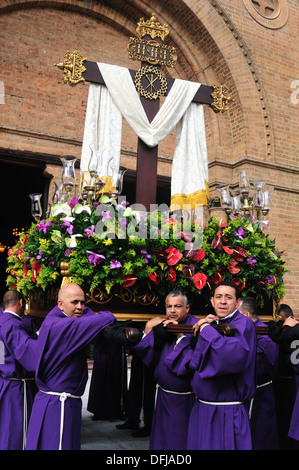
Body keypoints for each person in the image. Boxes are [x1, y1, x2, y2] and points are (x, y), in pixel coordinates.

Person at [25, 283, 119, 450]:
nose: (80, 307)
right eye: (74, 302)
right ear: (60, 304)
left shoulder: (54, 319)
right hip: (59, 404)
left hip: (52, 401)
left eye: (83, 302)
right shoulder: (64, 326)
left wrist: (77, 307)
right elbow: (106, 317)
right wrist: (106, 315)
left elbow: (83, 314)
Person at [167, 281, 257, 450]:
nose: (223, 301)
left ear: (238, 303)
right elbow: (197, 361)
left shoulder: (244, 324)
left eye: (228, 297)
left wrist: (206, 329)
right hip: (202, 408)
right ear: (212, 301)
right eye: (218, 297)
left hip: (226, 413)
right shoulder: (214, 323)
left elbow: (228, 358)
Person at [132, 290, 198, 450]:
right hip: (162, 396)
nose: (172, 311)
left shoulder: (196, 327)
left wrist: (179, 335)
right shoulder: (163, 326)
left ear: (187, 308)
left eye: (177, 306)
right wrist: (148, 329)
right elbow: (145, 355)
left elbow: (191, 363)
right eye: (169, 306)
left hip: (184, 399)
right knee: (161, 441)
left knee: (180, 441)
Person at [239, 296, 279, 449]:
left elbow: (257, 368)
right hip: (247, 395)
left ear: (246, 316)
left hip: (261, 395)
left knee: (261, 437)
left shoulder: (265, 336)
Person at [0, 290, 39, 450]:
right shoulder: (12, 324)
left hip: (4, 380)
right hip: (16, 386)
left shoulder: (2, 320)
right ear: (21, 303)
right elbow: (26, 353)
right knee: (17, 431)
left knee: (6, 427)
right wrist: (40, 337)